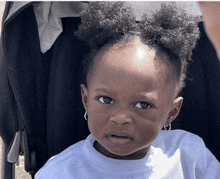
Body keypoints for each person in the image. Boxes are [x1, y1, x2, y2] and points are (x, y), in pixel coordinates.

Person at [35, 2, 220, 178]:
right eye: (106, 100)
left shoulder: (188, 154)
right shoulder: (61, 172)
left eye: (143, 105)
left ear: (171, 113)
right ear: (86, 100)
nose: (120, 118)